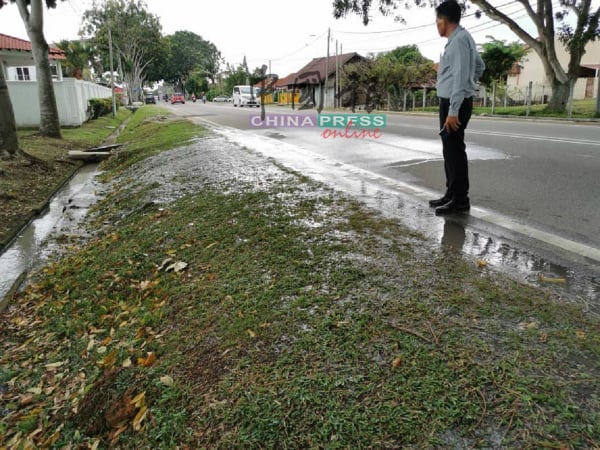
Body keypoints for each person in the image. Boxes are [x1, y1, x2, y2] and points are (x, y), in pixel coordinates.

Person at [429, 0, 485, 215]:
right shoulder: (460, 39)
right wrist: (469, 82)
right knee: (450, 150)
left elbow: (462, 76)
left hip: (455, 105)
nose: (437, 26)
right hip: (453, 101)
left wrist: (453, 110)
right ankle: (451, 194)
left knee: (454, 151)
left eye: (437, 21)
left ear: (443, 20)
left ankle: (460, 200)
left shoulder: (460, 40)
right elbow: (479, 66)